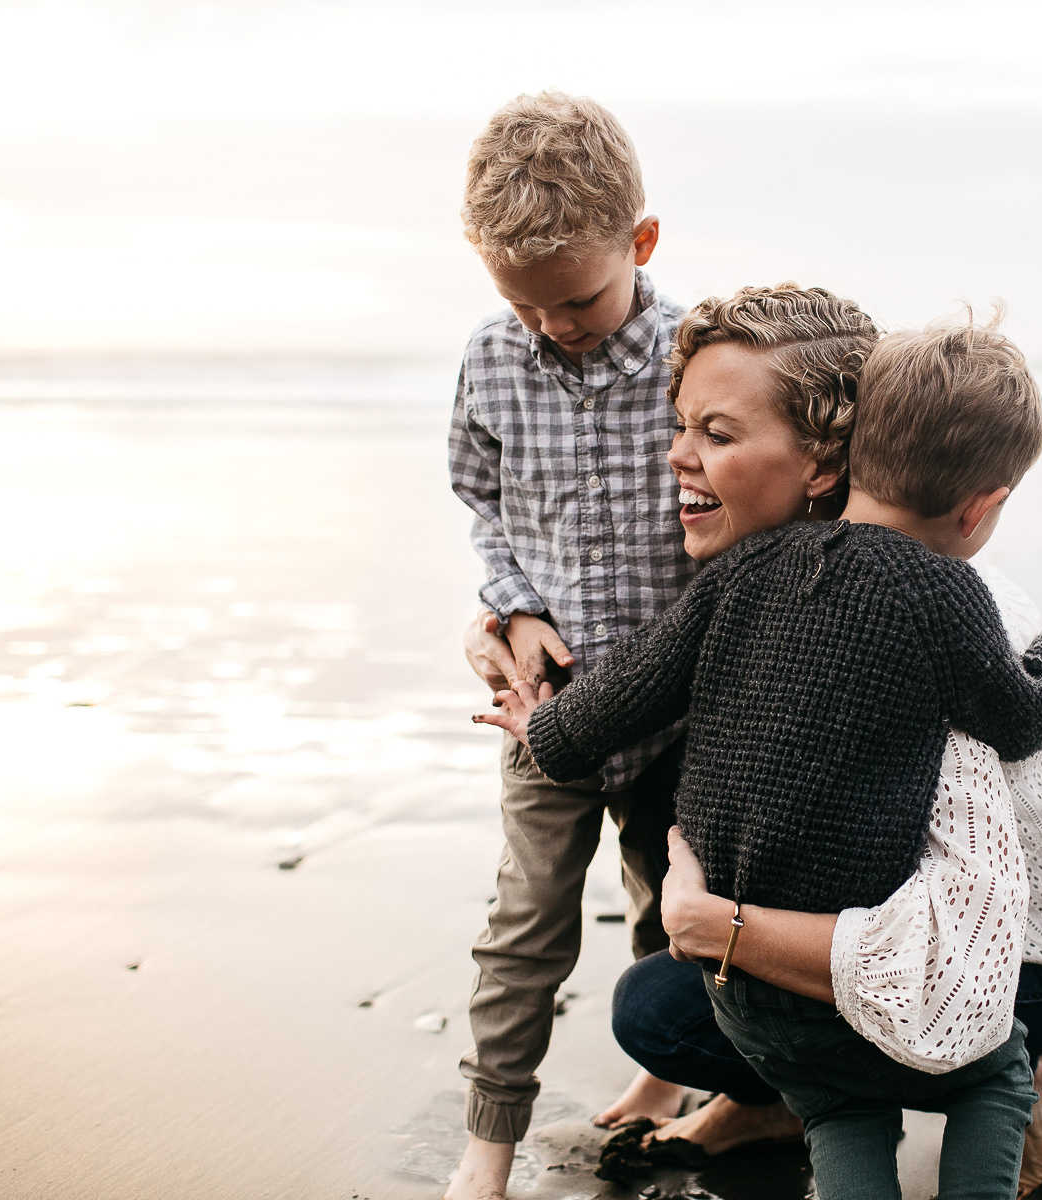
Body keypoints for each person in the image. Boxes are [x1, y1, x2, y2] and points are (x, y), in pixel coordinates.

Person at [478, 298, 1042, 1200]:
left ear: (838, 455)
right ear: (983, 507)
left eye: (712, 432)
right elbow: (1025, 718)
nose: (682, 452)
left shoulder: (734, 574)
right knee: (995, 1077)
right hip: (848, 965)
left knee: (840, 1109)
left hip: (742, 997)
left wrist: (539, 719)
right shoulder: (947, 595)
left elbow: (600, 718)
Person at [443, 89, 695, 1200]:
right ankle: (487, 1145)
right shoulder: (492, 359)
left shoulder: (701, 357)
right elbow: (482, 502)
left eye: (579, 298)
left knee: (669, 907)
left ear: (640, 241)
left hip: (681, 710)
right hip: (543, 708)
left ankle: (663, 1077)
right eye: (525, 303)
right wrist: (510, 608)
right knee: (524, 922)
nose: (555, 324)